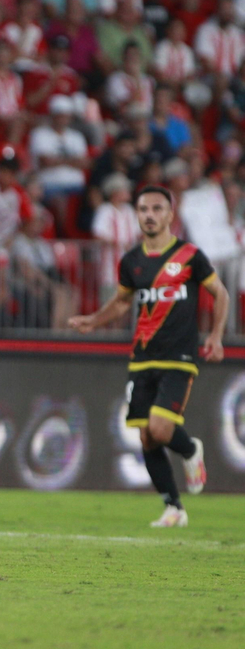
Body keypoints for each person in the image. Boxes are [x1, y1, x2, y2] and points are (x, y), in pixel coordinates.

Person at [68, 185, 221, 527]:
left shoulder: (189, 256)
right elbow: (122, 302)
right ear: (137, 215)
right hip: (142, 357)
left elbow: (220, 292)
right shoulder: (132, 262)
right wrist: (93, 320)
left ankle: (190, 449)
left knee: (161, 428)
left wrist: (215, 335)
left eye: (156, 209)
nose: (149, 215)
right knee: (147, 437)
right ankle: (173, 508)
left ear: (170, 214)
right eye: (143, 210)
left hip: (178, 356)